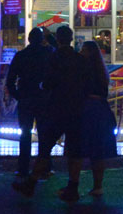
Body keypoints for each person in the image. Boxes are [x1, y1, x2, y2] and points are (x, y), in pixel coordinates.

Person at [13, 25, 90, 202]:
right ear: (71, 38)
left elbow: (47, 82)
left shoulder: (53, 57)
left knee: (46, 145)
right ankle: (73, 186)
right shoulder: (79, 59)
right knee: (75, 150)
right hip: (76, 108)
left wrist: (40, 87)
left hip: (57, 107)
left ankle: (31, 182)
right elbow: (86, 82)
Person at [5, 26, 54, 180]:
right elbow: (58, 50)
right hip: (43, 98)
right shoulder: (48, 53)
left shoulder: (21, 55)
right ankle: (44, 167)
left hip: (26, 97)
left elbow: (10, 80)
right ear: (42, 39)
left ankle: (23, 168)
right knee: (44, 135)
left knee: (25, 134)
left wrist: (18, 95)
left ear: (29, 39)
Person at [79, 41, 118, 196]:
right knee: (98, 150)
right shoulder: (102, 72)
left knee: (79, 148)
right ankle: (98, 185)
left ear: (89, 52)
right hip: (102, 110)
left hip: (87, 110)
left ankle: (74, 184)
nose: (81, 53)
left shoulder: (84, 70)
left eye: (83, 50)